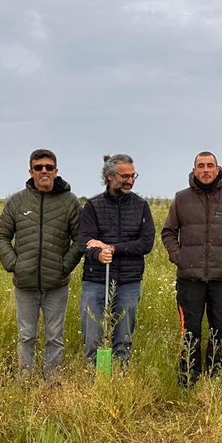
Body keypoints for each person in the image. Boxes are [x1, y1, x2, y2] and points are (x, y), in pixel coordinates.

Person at [0, 149, 83, 380]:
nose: (44, 171)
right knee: (27, 336)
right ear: (30, 171)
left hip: (56, 283)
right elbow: (1, 235)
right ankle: (26, 380)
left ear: (56, 171)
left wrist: (65, 265)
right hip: (25, 281)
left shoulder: (69, 201)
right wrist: (14, 263)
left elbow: (80, 238)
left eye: (49, 167)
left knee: (55, 336)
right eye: (38, 167)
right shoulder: (18, 201)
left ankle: (52, 382)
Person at [161, 151, 222, 386]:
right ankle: (188, 376)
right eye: (201, 166)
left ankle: (217, 376)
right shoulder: (181, 199)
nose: (206, 170)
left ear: (218, 170)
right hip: (189, 277)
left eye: (210, 166)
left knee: (219, 328)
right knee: (190, 329)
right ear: (194, 170)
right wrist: (179, 257)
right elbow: (168, 232)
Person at [77, 154, 154, 369]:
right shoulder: (93, 206)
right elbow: (84, 240)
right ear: (110, 176)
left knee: (123, 336)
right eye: (124, 176)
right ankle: (95, 376)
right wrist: (98, 254)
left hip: (129, 281)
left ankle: (120, 375)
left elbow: (146, 243)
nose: (130, 180)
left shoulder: (141, 206)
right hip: (96, 280)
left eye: (133, 176)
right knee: (93, 334)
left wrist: (112, 248)